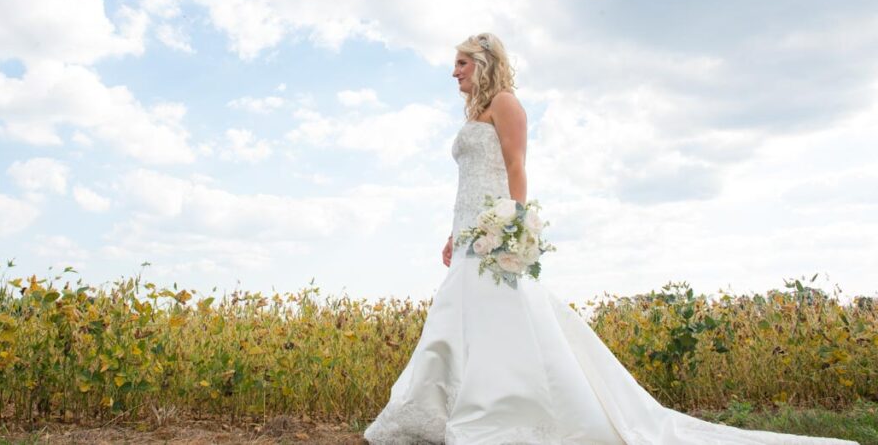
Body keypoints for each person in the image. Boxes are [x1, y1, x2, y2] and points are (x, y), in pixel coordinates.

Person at [362, 33, 858, 445]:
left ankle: (509, 411)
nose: (455, 73)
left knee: (501, 322)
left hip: (495, 235)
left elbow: (516, 168)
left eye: (461, 63)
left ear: (485, 63)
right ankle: (438, 411)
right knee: (457, 321)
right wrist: (454, 234)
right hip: (469, 233)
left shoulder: (505, 104)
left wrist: (511, 229)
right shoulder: (473, 116)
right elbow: (472, 180)